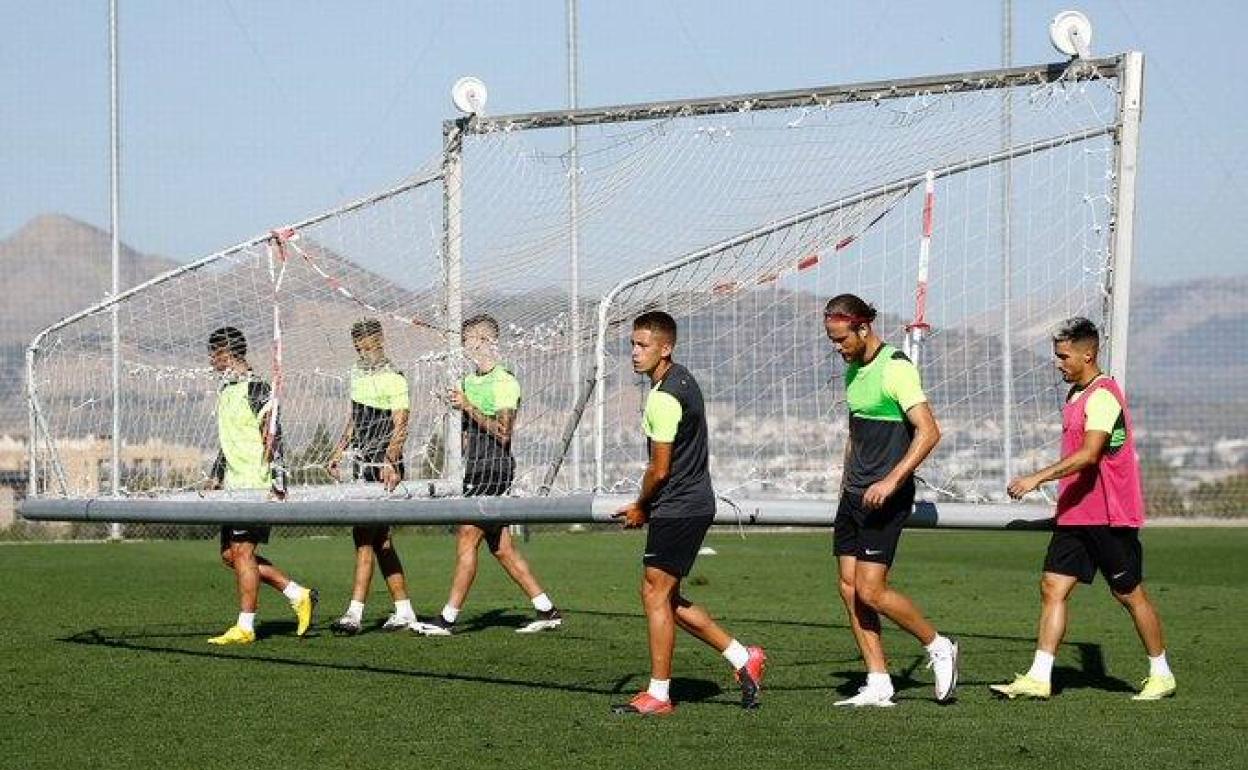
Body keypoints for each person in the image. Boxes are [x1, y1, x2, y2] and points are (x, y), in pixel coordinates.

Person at [993, 317, 1175, 701]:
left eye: (1063, 356)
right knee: (1052, 587)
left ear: (1087, 354)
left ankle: (1161, 673)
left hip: (1109, 515)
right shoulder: (1075, 395)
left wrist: (1036, 478)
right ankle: (1040, 676)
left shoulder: (1103, 395)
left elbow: (1091, 455)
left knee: (1129, 594)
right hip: (1076, 513)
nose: (1058, 363)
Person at [611, 311, 765, 716]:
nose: (634, 352)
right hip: (689, 504)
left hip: (679, 506)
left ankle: (659, 695)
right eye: (632, 344)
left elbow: (659, 469)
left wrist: (640, 506)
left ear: (666, 348)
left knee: (654, 593)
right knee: (667, 596)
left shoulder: (663, 396)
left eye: (643, 345)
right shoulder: (682, 379)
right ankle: (741, 657)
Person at [823, 294, 957, 707]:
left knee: (872, 591)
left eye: (842, 339)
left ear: (863, 328)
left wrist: (891, 480)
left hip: (887, 497)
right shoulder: (852, 371)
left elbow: (929, 432)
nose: (838, 347)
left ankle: (938, 645)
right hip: (853, 497)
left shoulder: (896, 369)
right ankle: (879, 680)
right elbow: (854, 433)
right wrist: (846, 485)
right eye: (832, 339)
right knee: (849, 589)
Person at [413, 313, 561, 636]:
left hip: (494, 469)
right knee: (502, 548)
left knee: (467, 538)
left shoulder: (505, 381)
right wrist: (456, 408)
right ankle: (547, 609)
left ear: (484, 341)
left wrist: (467, 407)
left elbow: (504, 432)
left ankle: (447, 618)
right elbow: (469, 431)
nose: (464, 346)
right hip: (475, 469)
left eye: (468, 340)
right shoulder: (468, 382)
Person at [205, 326, 316, 645]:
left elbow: (274, 434)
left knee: (242, 553)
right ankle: (298, 594)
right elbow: (229, 441)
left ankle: (245, 626)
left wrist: (279, 481)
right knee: (230, 555)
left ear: (227, 352)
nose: (212, 360)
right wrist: (216, 474)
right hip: (232, 485)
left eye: (215, 353)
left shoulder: (257, 389)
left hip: (256, 484)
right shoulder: (225, 391)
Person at [327, 319, 422, 635]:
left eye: (368, 346)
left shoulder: (395, 377)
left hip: (385, 468)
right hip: (362, 463)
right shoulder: (356, 373)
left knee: (365, 538)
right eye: (358, 347)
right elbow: (355, 418)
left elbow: (401, 424)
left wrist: (390, 461)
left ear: (381, 341)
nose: (363, 352)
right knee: (379, 541)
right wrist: (339, 451)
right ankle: (404, 609)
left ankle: (354, 614)